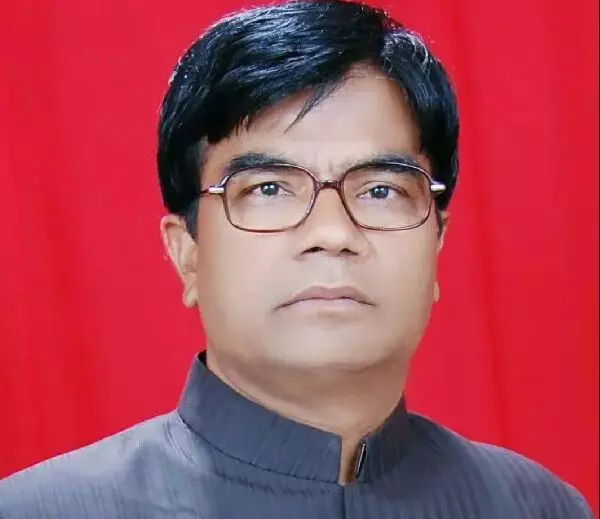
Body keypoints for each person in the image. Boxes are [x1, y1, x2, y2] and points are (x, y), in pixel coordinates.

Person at [0, 0, 594, 517]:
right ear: (187, 254)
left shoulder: (538, 508)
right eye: (268, 189)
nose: (332, 233)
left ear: (437, 243)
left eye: (380, 190)